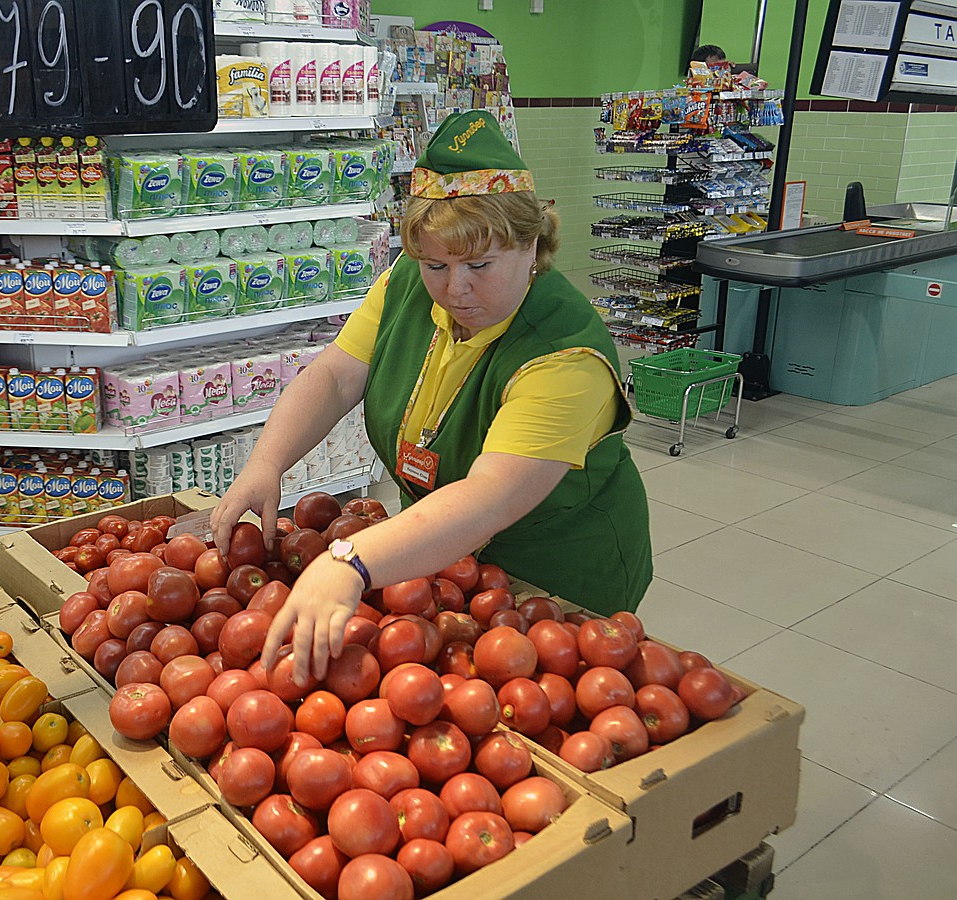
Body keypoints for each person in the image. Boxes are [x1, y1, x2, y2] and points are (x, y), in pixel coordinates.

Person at [211, 111, 653, 684]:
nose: (454, 288)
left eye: (480, 264)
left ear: (532, 244)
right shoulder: (407, 285)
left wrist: (350, 561)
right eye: (435, 265)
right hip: (441, 555)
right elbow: (337, 375)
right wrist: (266, 462)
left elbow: (491, 496)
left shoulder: (566, 356)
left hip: (552, 570)